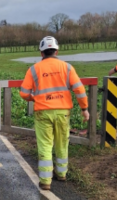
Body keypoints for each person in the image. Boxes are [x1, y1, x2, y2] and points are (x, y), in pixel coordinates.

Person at [20, 36, 89, 190]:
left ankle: (45, 181)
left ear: (41, 53)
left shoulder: (34, 69)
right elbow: (79, 90)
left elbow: (24, 93)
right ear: (57, 51)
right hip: (63, 112)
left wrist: (34, 98)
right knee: (62, 142)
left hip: (43, 112)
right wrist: (84, 109)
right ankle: (61, 173)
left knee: (45, 145)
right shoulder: (67, 68)